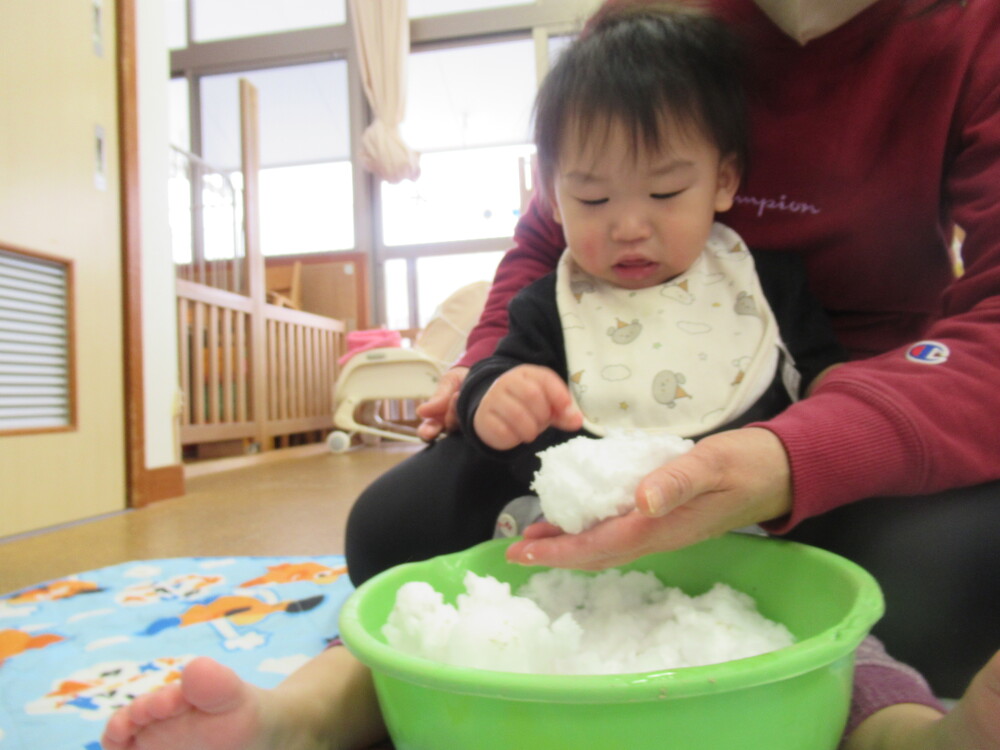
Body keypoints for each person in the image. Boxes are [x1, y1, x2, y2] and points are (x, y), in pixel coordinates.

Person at [101, 2, 1000, 750]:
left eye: (664, 195)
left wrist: (809, 460)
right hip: (557, 530)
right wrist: (492, 394)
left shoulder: (765, 287)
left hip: (763, 523)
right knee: (429, 573)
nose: (630, 229)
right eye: (595, 200)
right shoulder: (556, 292)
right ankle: (299, 717)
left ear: (726, 182)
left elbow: (828, 378)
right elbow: (504, 355)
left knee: (848, 625)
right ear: (556, 189)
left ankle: (910, 735)